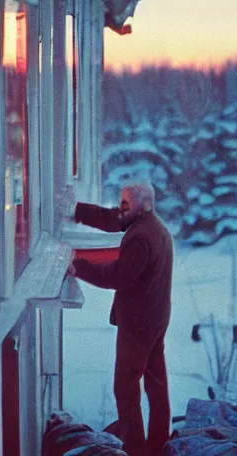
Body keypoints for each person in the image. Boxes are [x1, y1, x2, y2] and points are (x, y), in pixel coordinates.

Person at [68, 182, 173, 456]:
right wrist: (78, 211)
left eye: (126, 203)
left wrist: (78, 266)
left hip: (139, 326)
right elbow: (113, 218)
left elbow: (117, 276)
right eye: (121, 201)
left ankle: (135, 450)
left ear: (144, 206)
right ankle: (159, 445)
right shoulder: (152, 226)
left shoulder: (140, 238)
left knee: (126, 389)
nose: (120, 207)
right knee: (156, 384)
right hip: (156, 320)